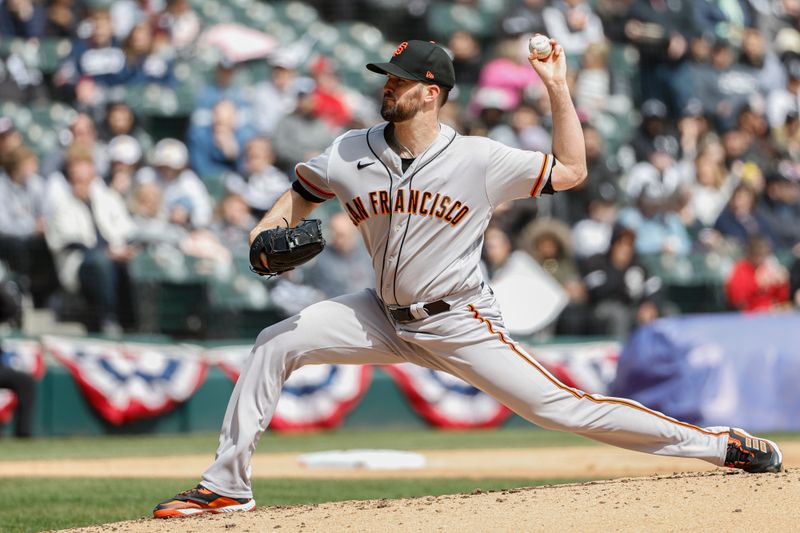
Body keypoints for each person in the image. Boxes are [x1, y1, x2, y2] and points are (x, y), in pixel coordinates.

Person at [154, 38, 782, 519]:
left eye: (399, 80)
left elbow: (570, 169)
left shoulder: (478, 159)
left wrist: (558, 90)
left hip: (459, 319)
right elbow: (299, 194)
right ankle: (226, 487)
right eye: (387, 78)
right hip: (380, 313)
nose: (387, 87)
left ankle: (721, 445)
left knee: (563, 409)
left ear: (431, 92)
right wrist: (264, 237)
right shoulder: (350, 150)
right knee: (276, 341)